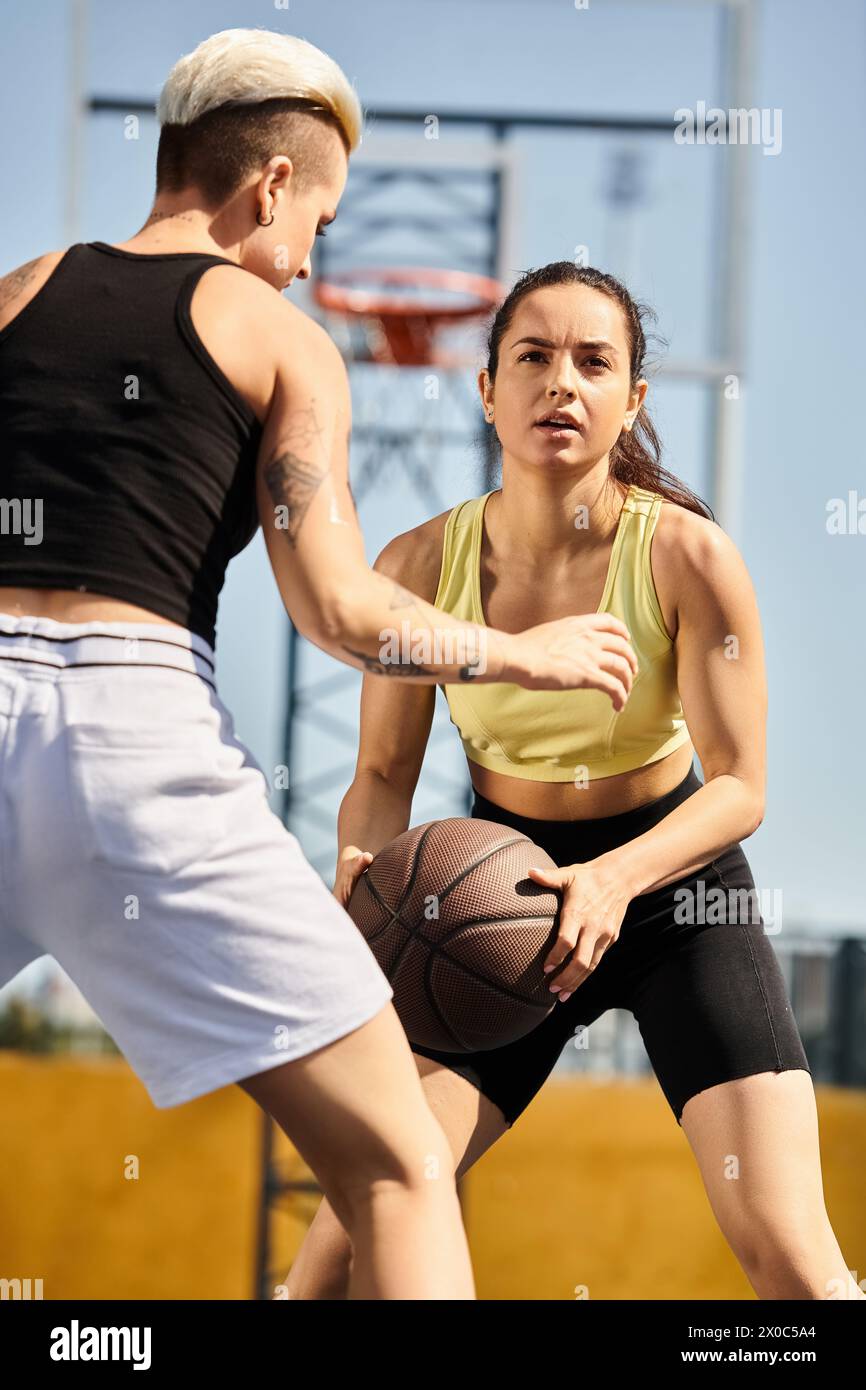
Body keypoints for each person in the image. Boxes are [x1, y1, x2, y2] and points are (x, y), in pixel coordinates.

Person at [0, 31, 640, 1300]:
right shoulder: (276, 335)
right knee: (397, 1163)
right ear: (272, 188)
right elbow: (345, 612)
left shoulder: (15, 292)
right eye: (319, 222)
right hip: (127, 733)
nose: (308, 258)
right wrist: (527, 652)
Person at [285, 261, 865, 1301]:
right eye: (532, 357)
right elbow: (380, 771)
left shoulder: (687, 556)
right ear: (486, 388)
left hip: (675, 890)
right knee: (335, 1254)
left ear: (631, 399)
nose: (561, 382)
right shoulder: (417, 563)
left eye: (593, 362)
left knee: (791, 1258)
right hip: (490, 906)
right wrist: (361, 878)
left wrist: (611, 882)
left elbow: (739, 785)